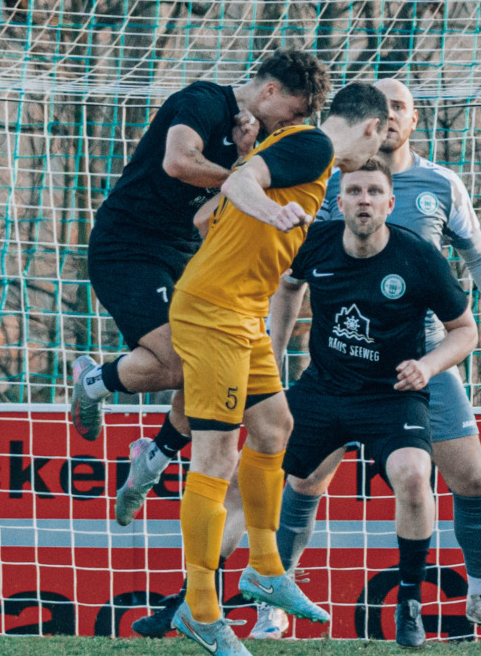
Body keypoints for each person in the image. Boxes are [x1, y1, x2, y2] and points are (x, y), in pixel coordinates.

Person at [245, 77, 481, 641]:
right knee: (303, 480)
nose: (389, 119)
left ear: (412, 119)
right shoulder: (329, 182)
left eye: (400, 107)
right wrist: (272, 353)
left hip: (421, 361)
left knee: (470, 478)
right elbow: (290, 278)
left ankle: (479, 595)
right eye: (381, 110)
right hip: (340, 365)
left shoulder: (440, 184)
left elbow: (478, 256)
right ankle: (272, 600)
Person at [168, 82, 389, 656]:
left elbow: (205, 215)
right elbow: (238, 186)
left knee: (274, 428)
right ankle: (200, 608)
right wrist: (269, 210)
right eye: (381, 138)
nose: (377, 153)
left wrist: (246, 229)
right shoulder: (315, 148)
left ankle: (265, 568)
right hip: (214, 312)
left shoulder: (298, 151)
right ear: (370, 127)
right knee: (215, 458)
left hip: (241, 311)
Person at [72, 52, 328, 487]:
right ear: (270, 91)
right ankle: (94, 381)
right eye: (295, 113)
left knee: (209, 365)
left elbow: (206, 216)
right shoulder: (204, 101)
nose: (294, 124)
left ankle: (155, 453)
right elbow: (178, 161)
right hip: (129, 247)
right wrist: (239, 175)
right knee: (180, 364)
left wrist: (245, 159)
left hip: (189, 255)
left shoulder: (258, 139)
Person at [266, 162, 478, 648]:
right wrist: (272, 355)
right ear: (339, 202)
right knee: (268, 475)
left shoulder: (418, 256)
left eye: (375, 191)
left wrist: (427, 366)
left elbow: (467, 331)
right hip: (324, 388)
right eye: (355, 191)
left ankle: (409, 603)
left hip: (391, 394)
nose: (364, 199)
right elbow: (288, 285)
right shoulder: (315, 242)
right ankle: (248, 595)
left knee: (413, 475)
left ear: (389, 203)